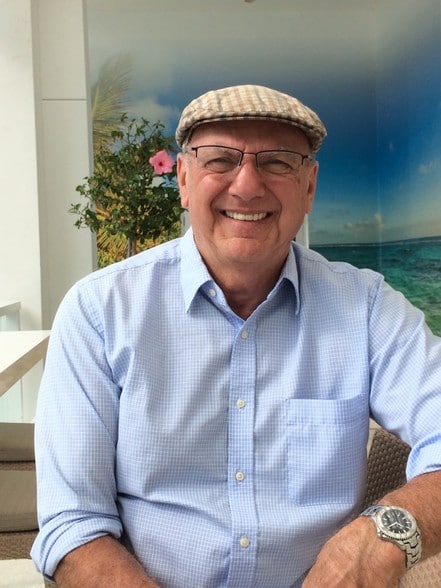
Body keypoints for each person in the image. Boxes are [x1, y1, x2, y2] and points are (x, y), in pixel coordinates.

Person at [31, 84, 441, 587]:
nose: (247, 186)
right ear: (184, 180)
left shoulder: (368, 308)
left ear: (309, 187)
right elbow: (73, 523)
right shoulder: (99, 312)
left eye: (278, 162)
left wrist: (380, 538)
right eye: (220, 159)